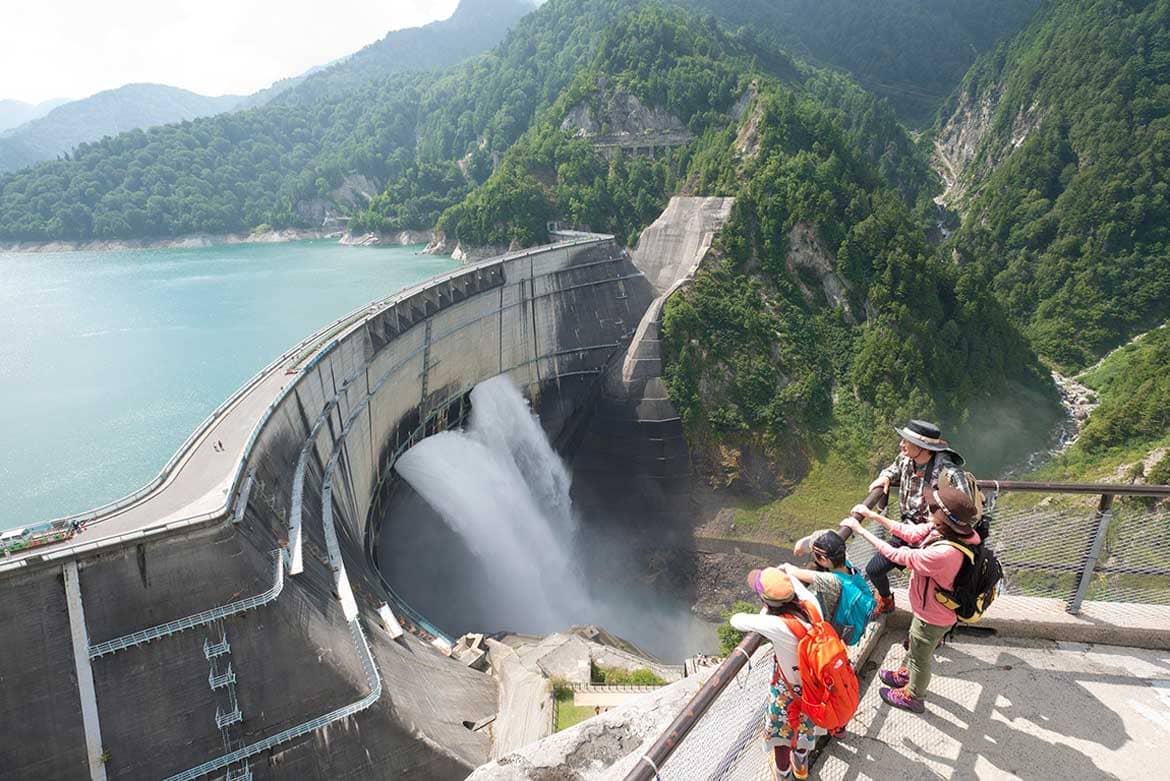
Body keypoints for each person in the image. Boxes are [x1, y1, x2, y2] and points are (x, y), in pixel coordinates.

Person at [840, 485, 981, 713]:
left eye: (934, 507)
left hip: (934, 616)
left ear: (945, 516)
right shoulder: (950, 531)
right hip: (931, 609)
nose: (929, 508)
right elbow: (910, 533)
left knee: (921, 658)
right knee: (917, 648)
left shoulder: (945, 552)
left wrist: (859, 529)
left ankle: (914, 696)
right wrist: (872, 515)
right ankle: (906, 672)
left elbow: (899, 555)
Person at [730, 567, 823, 780]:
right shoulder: (812, 606)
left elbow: (736, 620)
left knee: (782, 737)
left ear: (765, 600)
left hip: (790, 692)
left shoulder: (777, 625)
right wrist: (784, 575)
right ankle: (801, 767)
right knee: (804, 730)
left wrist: (764, 609)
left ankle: (784, 774)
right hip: (815, 688)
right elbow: (796, 585)